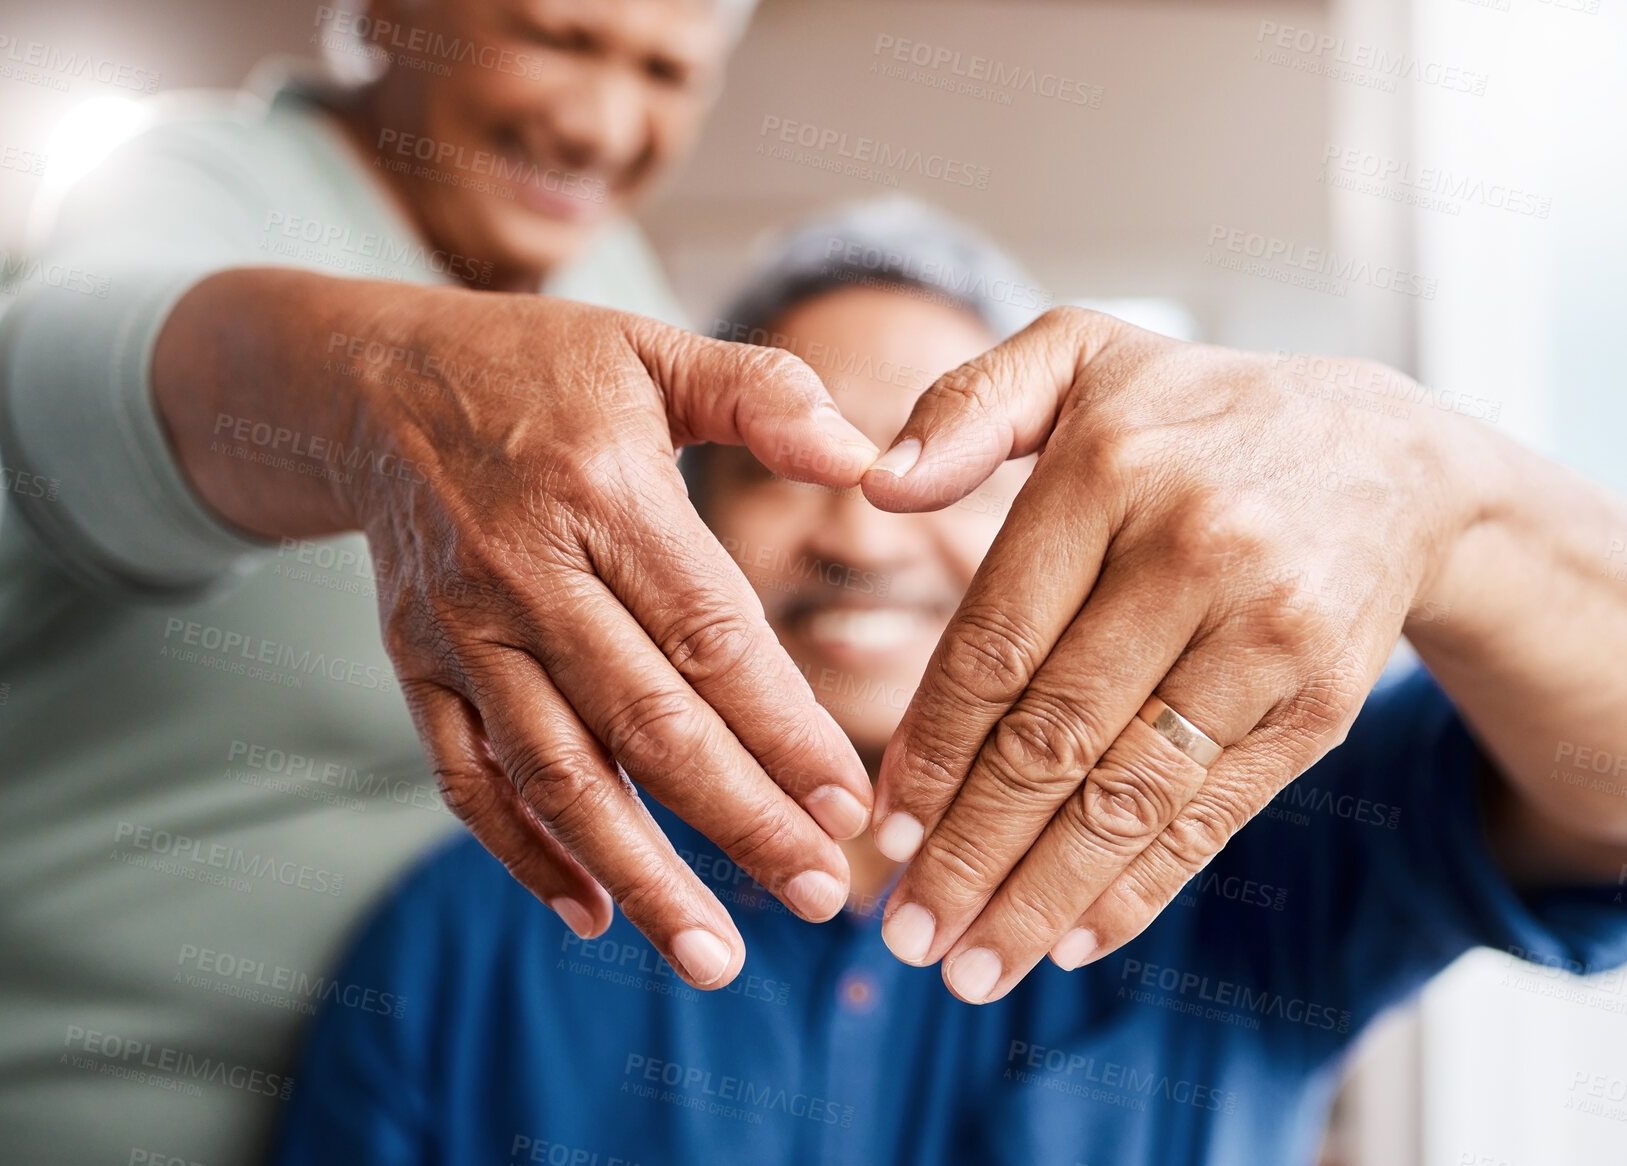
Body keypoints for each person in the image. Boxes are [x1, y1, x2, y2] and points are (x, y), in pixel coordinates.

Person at [271, 201, 1627, 1166]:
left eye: (936, 459)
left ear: (1053, 507)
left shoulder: (1257, 826)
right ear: (686, 515)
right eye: (780, 465)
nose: (858, 532)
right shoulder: (468, 936)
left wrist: (1435, 491)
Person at [0, 2, 894, 1163]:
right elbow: (69, 371)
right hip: (69, 1088)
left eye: (666, 71)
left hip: (423, 1088)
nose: (601, 124)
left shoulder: (609, 277)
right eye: (560, 39)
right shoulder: (196, 171)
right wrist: (382, 395)